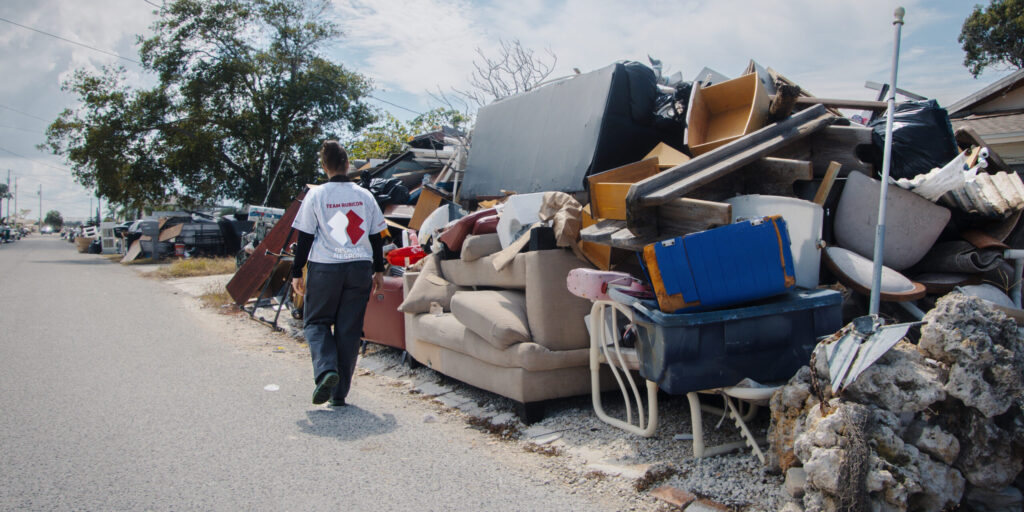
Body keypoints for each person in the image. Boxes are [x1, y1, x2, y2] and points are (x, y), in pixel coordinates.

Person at [291, 141, 386, 406]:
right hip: (359, 268)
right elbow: (376, 236)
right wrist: (379, 269)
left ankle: (326, 370)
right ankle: (339, 394)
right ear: (347, 165)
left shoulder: (316, 195)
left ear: (324, 167)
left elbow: (305, 236)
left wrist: (297, 271)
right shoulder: (365, 196)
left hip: (325, 269)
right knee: (349, 330)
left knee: (316, 322)